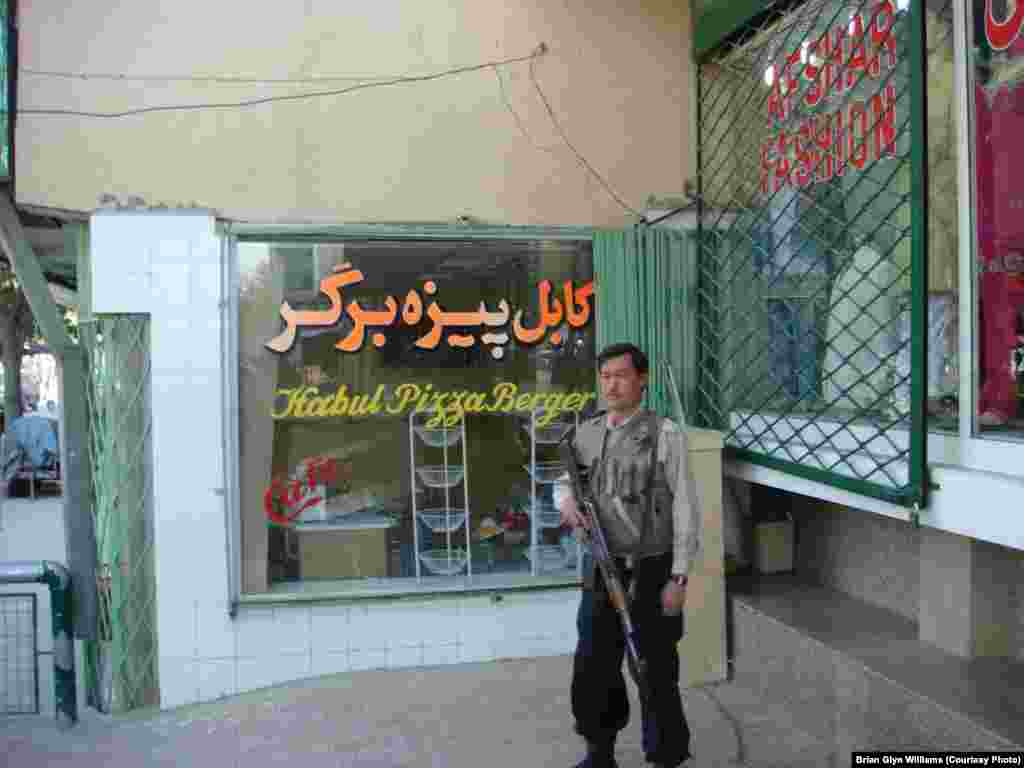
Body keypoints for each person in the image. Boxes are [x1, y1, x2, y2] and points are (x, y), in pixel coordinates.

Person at [554, 343, 701, 768]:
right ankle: (600, 753)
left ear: (642, 379)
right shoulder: (587, 433)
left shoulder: (666, 434)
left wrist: (680, 577)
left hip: (652, 567)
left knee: (654, 668)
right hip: (601, 566)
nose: (611, 384)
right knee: (594, 665)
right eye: (605, 377)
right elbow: (565, 483)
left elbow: (686, 507)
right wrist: (566, 505)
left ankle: (666, 755)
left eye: (620, 375)